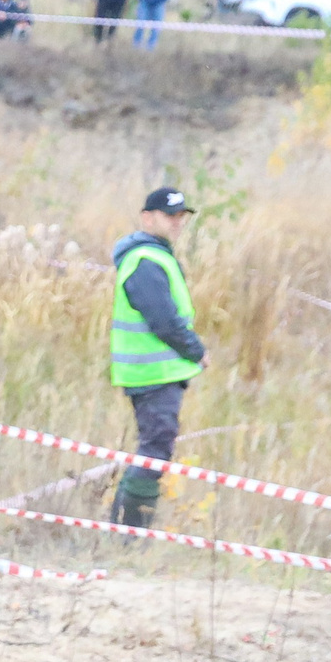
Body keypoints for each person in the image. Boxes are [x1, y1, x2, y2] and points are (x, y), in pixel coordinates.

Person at [108, 186, 208, 529]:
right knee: (155, 451)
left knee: (154, 449)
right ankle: (128, 531)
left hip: (157, 373)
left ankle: (125, 528)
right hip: (153, 374)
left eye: (181, 216)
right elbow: (163, 321)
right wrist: (197, 351)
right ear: (147, 218)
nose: (178, 223)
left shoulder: (155, 255)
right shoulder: (145, 260)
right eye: (171, 216)